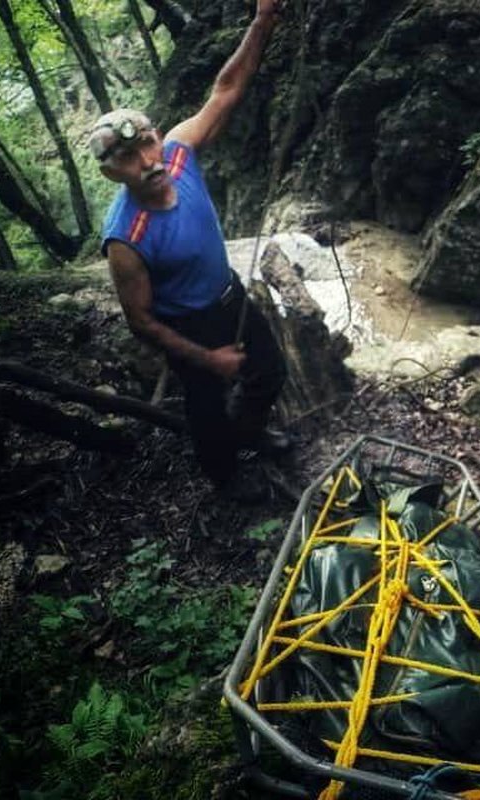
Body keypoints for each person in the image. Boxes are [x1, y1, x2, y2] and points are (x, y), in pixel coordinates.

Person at [91, 0, 289, 494]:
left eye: (148, 144)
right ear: (111, 172)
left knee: (270, 371)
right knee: (206, 410)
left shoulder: (179, 153)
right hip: (187, 325)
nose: (148, 161)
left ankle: (252, 431)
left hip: (228, 295)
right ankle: (225, 477)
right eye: (130, 159)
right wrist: (207, 358)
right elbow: (141, 321)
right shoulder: (126, 239)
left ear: (158, 136)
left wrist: (262, 20)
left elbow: (225, 91)